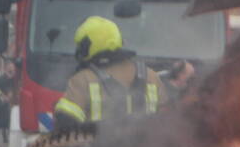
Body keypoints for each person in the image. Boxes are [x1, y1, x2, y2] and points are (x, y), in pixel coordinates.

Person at [52, 16, 191, 131]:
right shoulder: (151, 76)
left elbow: (64, 125)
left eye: (81, 46)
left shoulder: (82, 80)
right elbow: (167, 122)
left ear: (88, 46)